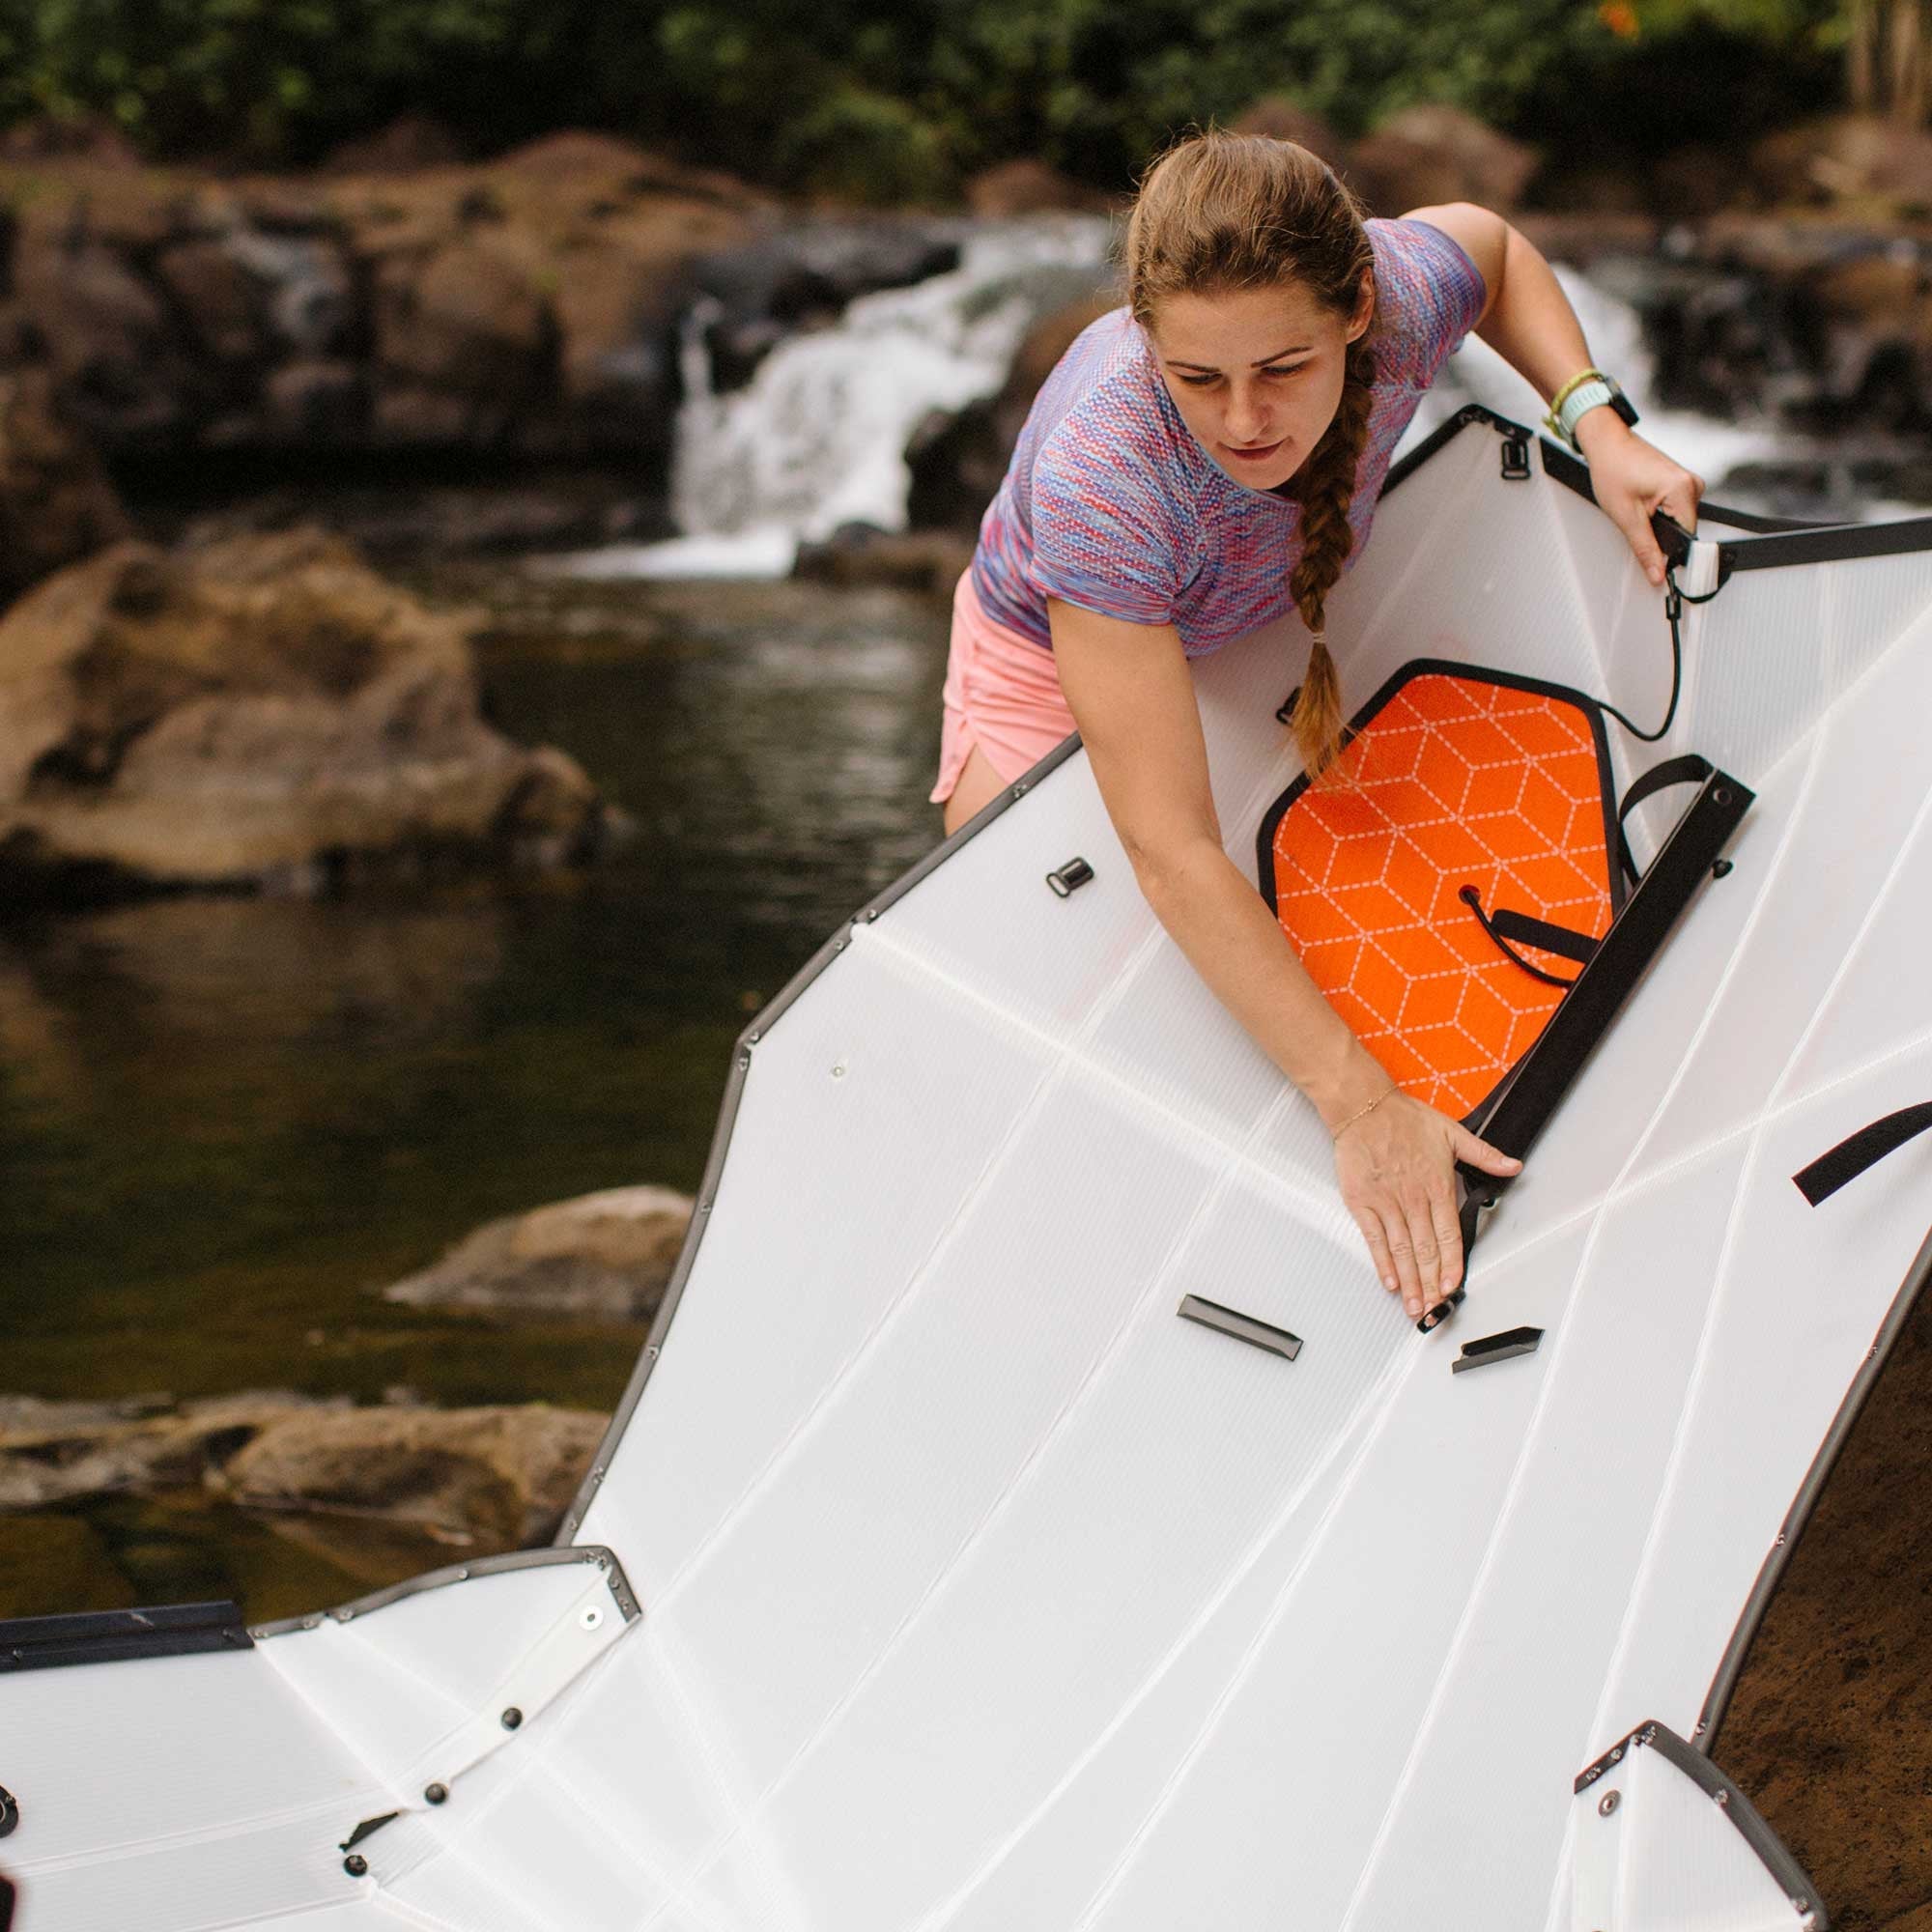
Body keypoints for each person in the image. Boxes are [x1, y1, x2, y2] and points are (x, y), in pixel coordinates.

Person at [930, 129, 1704, 1323]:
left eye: (1281, 366)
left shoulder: (1404, 289)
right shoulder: (1105, 475)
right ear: (1145, 340)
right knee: (1045, 997)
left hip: (1255, 611)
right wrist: (1362, 1110)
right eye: (1197, 379)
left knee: (1318, 945)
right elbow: (1168, 847)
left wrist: (1595, 422)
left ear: (1354, 310)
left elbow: (1491, 250)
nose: (1243, 420)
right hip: (1056, 654)